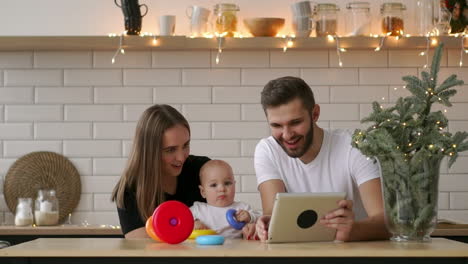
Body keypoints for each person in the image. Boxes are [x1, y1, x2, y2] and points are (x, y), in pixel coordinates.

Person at [244, 76, 389, 242]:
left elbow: (385, 222)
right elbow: (273, 213)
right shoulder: (268, 150)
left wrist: (352, 230)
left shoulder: (355, 145)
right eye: (276, 125)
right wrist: (267, 224)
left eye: (295, 122)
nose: (287, 135)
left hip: (353, 254)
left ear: (315, 114)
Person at [111, 104, 210, 238]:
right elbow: (142, 249)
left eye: (185, 145)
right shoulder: (129, 190)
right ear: (149, 152)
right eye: (170, 150)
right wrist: (192, 228)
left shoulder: (204, 170)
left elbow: (228, 215)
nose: (181, 158)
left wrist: (246, 225)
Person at [190, 160, 261, 239]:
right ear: (203, 192)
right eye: (214, 185)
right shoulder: (198, 209)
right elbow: (181, 220)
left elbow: (262, 220)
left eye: (227, 183)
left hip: (236, 249)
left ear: (234, 185)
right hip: (206, 250)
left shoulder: (242, 208)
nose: (222, 189)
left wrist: (250, 217)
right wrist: (194, 223)